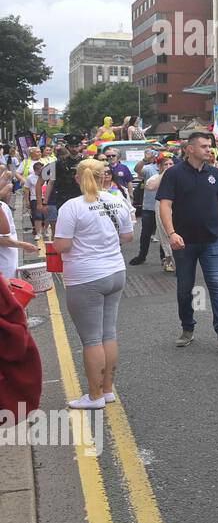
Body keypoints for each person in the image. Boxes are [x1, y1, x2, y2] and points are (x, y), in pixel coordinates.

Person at [52, 158, 134, 409]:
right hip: (115, 271)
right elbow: (127, 236)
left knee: (91, 340)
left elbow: (62, 245)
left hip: (86, 276)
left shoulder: (72, 207)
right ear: (103, 177)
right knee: (108, 333)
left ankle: (95, 396)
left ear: (78, 178)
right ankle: (107, 390)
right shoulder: (116, 200)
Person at [155, 131, 218, 352]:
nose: (208, 149)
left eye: (209, 146)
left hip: (212, 240)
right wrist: (171, 233)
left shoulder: (215, 174)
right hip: (184, 243)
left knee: (216, 284)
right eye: (203, 146)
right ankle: (187, 327)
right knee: (185, 288)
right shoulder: (174, 174)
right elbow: (165, 205)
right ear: (190, 149)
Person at [0, 180, 40, 280]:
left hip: (8, 264)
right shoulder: (2, 208)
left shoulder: (3, 206)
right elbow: (3, 236)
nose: (10, 194)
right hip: (4, 269)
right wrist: (24, 245)